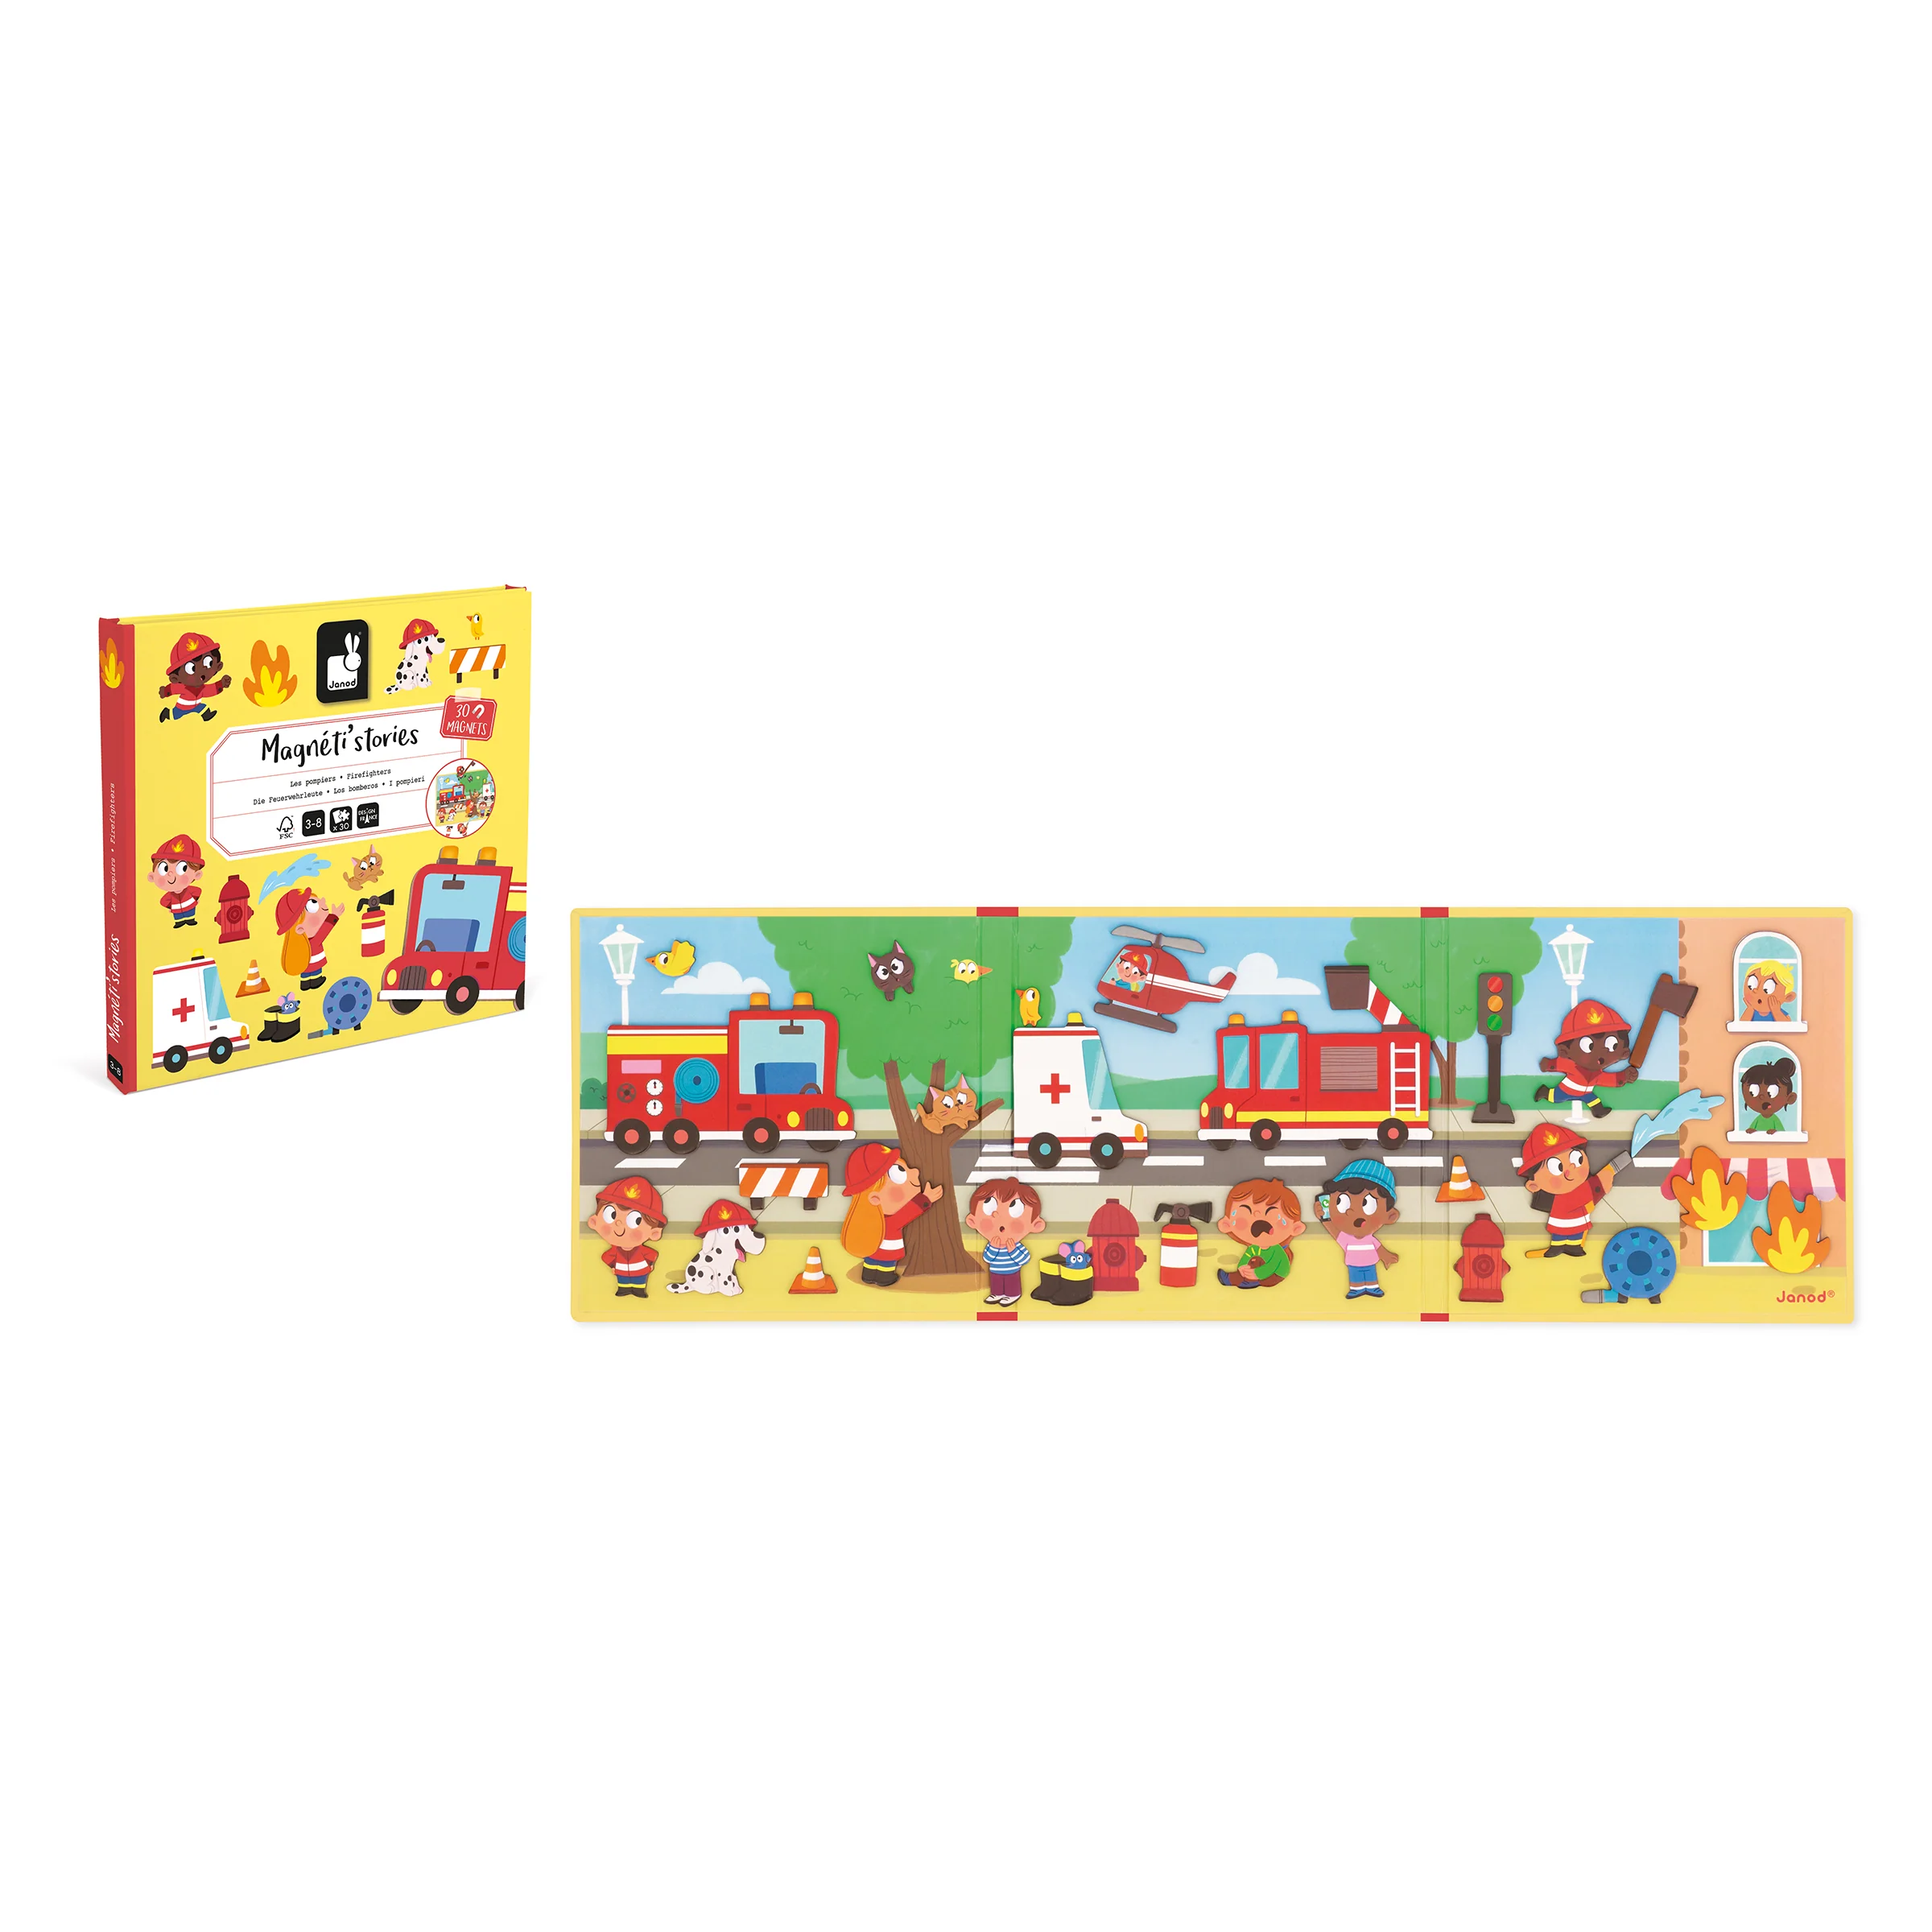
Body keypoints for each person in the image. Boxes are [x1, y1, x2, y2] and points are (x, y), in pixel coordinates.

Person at [840, 1143, 943, 1286]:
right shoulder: (888, 1221)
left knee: (871, 1260)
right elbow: (907, 1214)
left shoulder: (867, 1221)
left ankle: (868, 1274)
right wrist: (925, 1199)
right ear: (875, 1198)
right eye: (899, 1172)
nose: (915, 1172)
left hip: (872, 1249)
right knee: (886, 1263)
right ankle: (885, 1277)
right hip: (888, 1249)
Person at [1517, 1121, 1616, 1258]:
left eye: (1577, 1159)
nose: (1571, 1169)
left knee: (1576, 1233)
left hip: (1577, 1218)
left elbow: (1596, 1189)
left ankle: (1574, 1247)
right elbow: (1594, 1191)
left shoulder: (1583, 1187)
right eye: (1557, 1167)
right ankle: (1557, 1247)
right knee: (1560, 1233)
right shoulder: (1563, 1197)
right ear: (1534, 1185)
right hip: (1563, 1218)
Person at [1532, 999, 1639, 1117]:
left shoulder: (1597, 1074)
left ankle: (1599, 1111)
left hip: (1586, 1092)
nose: (1601, 1053)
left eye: (1612, 1045)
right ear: (1564, 1051)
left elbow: (1608, 1079)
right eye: (1589, 1046)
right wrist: (1548, 1064)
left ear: (1624, 1052)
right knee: (1555, 1098)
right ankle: (1545, 1092)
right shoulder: (1572, 1066)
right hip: (1567, 1090)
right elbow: (1560, 1064)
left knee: (1593, 1100)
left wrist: (1624, 1076)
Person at [1313, 1158, 1401, 1298]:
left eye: (1369, 1205)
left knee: (1370, 1274)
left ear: (1390, 1216)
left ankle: (1373, 1287)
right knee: (1356, 1275)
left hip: (1370, 1262)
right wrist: (1324, 1218)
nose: (1352, 1212)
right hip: (1353, 1263)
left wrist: (1386, 1256)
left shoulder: (1368, 1239)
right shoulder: (1346, 1238)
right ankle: (1356, 1289)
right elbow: (1333, 1230)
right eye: (1342, 1203)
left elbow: (1378, 1248)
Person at [963, 1178, 1047, 1307]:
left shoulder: (1016, 1246)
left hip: (1012, 1271)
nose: (999, 1218)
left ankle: (1013, 1294)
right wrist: (994, 1248)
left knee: (1011, 1283)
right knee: (996, 1282)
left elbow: (1024, 1259)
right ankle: (996, 1294)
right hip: (995, 1270)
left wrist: (1013, 1251)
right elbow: (988, 1258)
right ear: (972, 1221)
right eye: (990, 1208)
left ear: (1036, 1225)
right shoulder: (991, 1245)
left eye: (1015, 1210)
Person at [1215, 1177, 1305, 1287]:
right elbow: (1247, 1256)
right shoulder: (1254, 1247)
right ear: (1226, 1224)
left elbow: (1272, 1266)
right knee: (1252, 1263)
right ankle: (1236, 1279)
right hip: (1259, 1270)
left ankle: (1248, 1282)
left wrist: (1257, 1274)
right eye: (1246, 1212)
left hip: (1275, 1274)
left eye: (1272, 1214)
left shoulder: (1276, 1250)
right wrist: (1242, 1267)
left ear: (1296, 1228)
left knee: (1257, 1267)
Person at [590, 1175, 667, 1297]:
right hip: (621, 1271)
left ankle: (639, 1290)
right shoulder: (615, 1251)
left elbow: (652, 1254)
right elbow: (606, 1257)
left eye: (635, 1220)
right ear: (594, 1221)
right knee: (623, 1282)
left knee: (640, 1282)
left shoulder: (641, 1250)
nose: (619, 1223)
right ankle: (623, 1289)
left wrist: (650, 1265)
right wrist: (612, 1266)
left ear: (654, 1233)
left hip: (641, 1271)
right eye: (611, 1215)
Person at [147, 833, 207, 927]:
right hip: (176, 909)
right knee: (178, 918)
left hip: (190, 906)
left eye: (181, 868)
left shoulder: (189, 890)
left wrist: (195, 900)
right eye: (164, 869)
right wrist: (170, 906)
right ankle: (179, 922)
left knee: (190, 914)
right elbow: (163, 901)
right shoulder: (170, 895)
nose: (170, 874)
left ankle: (191, 919)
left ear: (197, 875)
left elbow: (197, 891)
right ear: (152, 876)